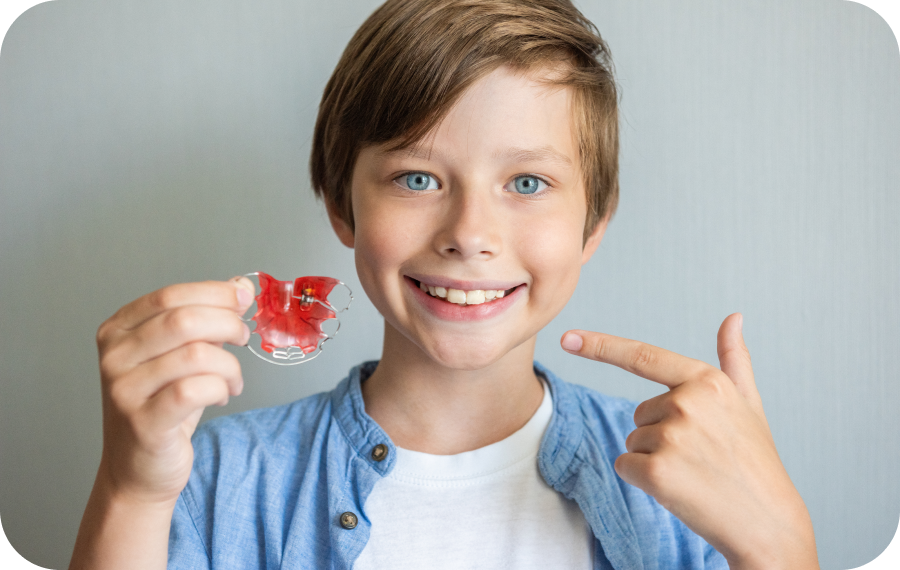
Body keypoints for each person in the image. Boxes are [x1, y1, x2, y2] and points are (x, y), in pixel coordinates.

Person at [69, 0, 819, 568]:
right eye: (417, 177)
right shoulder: (216, 480)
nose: (469, 231)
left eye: (527, 181)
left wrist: (781, 545)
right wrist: (131, 493)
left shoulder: (688, 484)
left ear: (594, 224)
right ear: (342, 205)